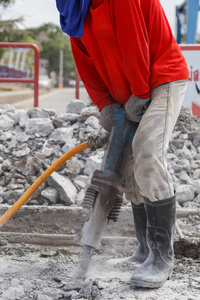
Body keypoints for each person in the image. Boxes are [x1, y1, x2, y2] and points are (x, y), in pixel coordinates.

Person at [56, 0, 189, 288]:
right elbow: (85, 61)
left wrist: (140, 92)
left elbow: (134, 41)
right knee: (128, 169)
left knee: (147, 151)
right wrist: (105, 104)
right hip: (126, 93)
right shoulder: (72, 9)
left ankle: (161, 257)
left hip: (160, 78)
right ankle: (144, 249)